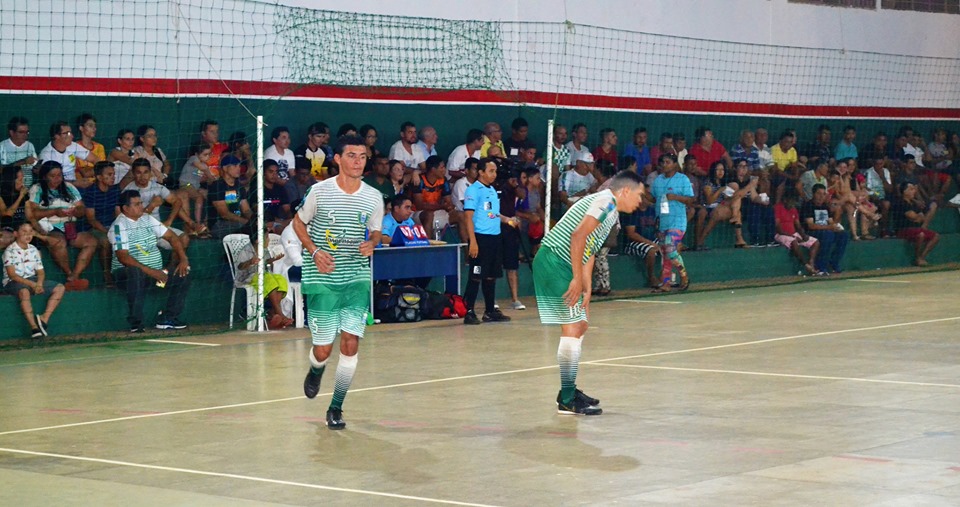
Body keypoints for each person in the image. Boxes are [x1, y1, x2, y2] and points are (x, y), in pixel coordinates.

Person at [534, 170, 645, 415]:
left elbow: (589, 249)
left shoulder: (609, 209)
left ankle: (568, 391)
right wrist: (575, 278)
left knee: (580, 324)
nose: (640, 202)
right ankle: (567, 399)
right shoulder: (605, 202)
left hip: (562, 264)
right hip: (554, 261)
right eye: (639, 195)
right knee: (573, 327)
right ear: (625, 191)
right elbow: (577, 237)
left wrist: (587, 289)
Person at [295, 135, 384, 430]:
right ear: (338, 159)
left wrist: (372, 243)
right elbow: (298, 223)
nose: (358, 161)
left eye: (362, 156)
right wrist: (315, 251)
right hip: (323, 277)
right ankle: (316, 368)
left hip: (356, 276)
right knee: (324, 349)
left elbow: (375, 232)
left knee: (350, 342)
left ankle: (336, 407)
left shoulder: (373, 196)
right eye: (351, 155)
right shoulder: (319, 191)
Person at [110, 190, 191, 332]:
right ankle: (136, 323)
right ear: (125, 208)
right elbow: (124, 258)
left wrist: (184, 259)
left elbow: (172, 237)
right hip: (125, 278)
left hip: (155, 279)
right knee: (135, 272)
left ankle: (168, 318)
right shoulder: (118, 226)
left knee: (182, 274)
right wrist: (153, 272)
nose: (141, 206)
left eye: (141, 203)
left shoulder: (147, 219)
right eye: (136, 204)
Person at [26, 160, 97, 290]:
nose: (57, 179)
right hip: (50, 227)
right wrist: (55, 212)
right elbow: (33, 213)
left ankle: (74, 276)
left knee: (91, 242)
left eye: (59, 175)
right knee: (59, 242)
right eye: (52, 176)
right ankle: (69, 273)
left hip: (71, 226)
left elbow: (82, 209)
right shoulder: (37, 188)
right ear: (44, 176)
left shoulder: (69, 187)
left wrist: (76, 211)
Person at [462, 157, 514, 325]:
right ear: (481, 172)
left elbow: (492, 213)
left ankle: (490, 310)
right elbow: (468, 218)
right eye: (491, 171)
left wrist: (507, 220)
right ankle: (468, 311)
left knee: (491, 276)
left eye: (495, 171)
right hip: (481, 238)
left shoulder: (491, 190)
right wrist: (473, 242)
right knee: (476, 275)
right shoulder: (473, 191)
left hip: (494, 238)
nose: (494, 174)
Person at [3, 222, 66, 338]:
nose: (28, 235)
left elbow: (40, 272)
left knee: (60, 288)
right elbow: (12, 275)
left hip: (33, 280)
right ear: (16, 234)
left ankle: (44, 319)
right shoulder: (9, 251)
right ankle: (34, 327)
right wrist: (33, 284)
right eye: (24, 232)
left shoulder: (33, 249)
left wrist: (39, 284)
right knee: (24, 292)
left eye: (30, 232)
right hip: (14, 282)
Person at [650, 153, 694, 292]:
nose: (664, 165)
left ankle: (684, 276)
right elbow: (653, 199)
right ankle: (666, 283)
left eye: (667, 162)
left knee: (670, 248)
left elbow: (691, 200)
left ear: (675, 164)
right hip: (662, 221)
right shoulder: (658, 180)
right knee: (665, 253)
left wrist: (675, 197)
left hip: (678, 221)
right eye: (662, 162)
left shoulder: (683, 179)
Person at [81, 161, 120, 287]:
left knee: (124, 239)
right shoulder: (90, 192)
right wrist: (107, 231)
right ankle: (107, 273)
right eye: (109, 174)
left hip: (112, 225)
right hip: (95, 227)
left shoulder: (114, 190)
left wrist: (118, 229)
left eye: (113, 174)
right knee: (105, 241)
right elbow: (91, 219)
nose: (113, 177)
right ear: (99, 177)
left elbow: (118, 213)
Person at [801, 184, 848, 274]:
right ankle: (820, 266)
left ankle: (834, 263)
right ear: (813, 194)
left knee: (843, 235)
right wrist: (829, 227)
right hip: (812, 232)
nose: (821, 197)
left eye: (823, 194)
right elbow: (811, 225)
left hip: (826, 230)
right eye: (819, 194)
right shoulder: (808, 206)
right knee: (828, 235)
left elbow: (830, 222)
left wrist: (835, 227)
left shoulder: (825, 207)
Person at [38, 121, 99, 189]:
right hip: (57, 189)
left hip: (74, 188)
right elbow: (50, 181)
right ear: (57, 136)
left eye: (71, 133)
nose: (72, 136)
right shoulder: (46, 155)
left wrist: (92, 174)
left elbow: (96, 159)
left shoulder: (72, 146)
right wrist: (75, 183)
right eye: (68, 133)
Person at [774, 188, 820, 275]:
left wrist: (803, 235)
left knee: (815, 242)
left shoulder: (793, 209)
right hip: (781, 234)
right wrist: (793, 237)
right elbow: (778, 229)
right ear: (785, 200)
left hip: (793, 234)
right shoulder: (778, 207)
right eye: (792, 201)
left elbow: (798, 225)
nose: (793, 204)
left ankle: (811, 262)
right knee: (794, 242)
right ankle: (806, 265)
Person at [892, 182, 939, 266]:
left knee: (936, 236)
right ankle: (917, 258)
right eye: (911, 189)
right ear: (905, 191)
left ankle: (922, 257)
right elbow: (913, 216)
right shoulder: (901, 203)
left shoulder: (914, 204)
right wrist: (918, 216)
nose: (914, 191)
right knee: (920, 235)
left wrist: (918, 217)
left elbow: (921, 218)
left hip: (915, 229)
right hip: (903, 229)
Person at [207, 155, 253, 239]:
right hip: (219, 225)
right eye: (235, 166)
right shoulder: (217, 186)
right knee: (247, 228)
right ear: (224, 168)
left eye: (239, 166)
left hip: (238, 222)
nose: (238, 168)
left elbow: (246, 210)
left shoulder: (239, 186)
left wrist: (254, 220)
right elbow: (225, 214)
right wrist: (246, 222)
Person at [1, 116, 38, 187]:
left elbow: (34, 166)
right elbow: (2, 169)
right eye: (21, 132)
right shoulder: (2, 146)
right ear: (11, 132)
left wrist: (37, 168)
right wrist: (23, 162)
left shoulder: (30, 145)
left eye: (27, 132)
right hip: (10, 189)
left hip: (29, 187)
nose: (25, 135)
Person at [0, 165, 29, 249]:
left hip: (23, 226)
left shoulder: (24, 193)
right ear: (11, 181)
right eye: (20, 180)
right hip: (8, 226)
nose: (22, 182)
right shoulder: (2, 195)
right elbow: (6, 215)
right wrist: (20, 197)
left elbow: (29, 215)